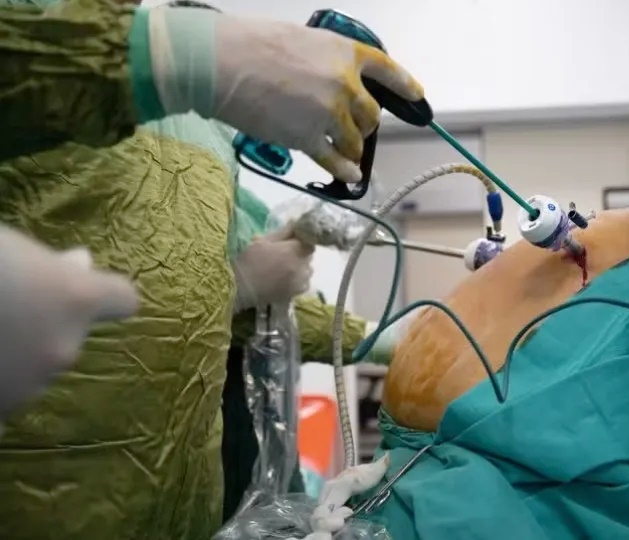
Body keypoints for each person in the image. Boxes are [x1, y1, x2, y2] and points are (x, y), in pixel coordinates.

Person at [0, 2, 404, 539]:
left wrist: (382, 338)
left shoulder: (207, 129)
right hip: (44, 489)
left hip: (186, 492)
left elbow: (219, 283)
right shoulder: (37, 35)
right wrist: (176, 52)